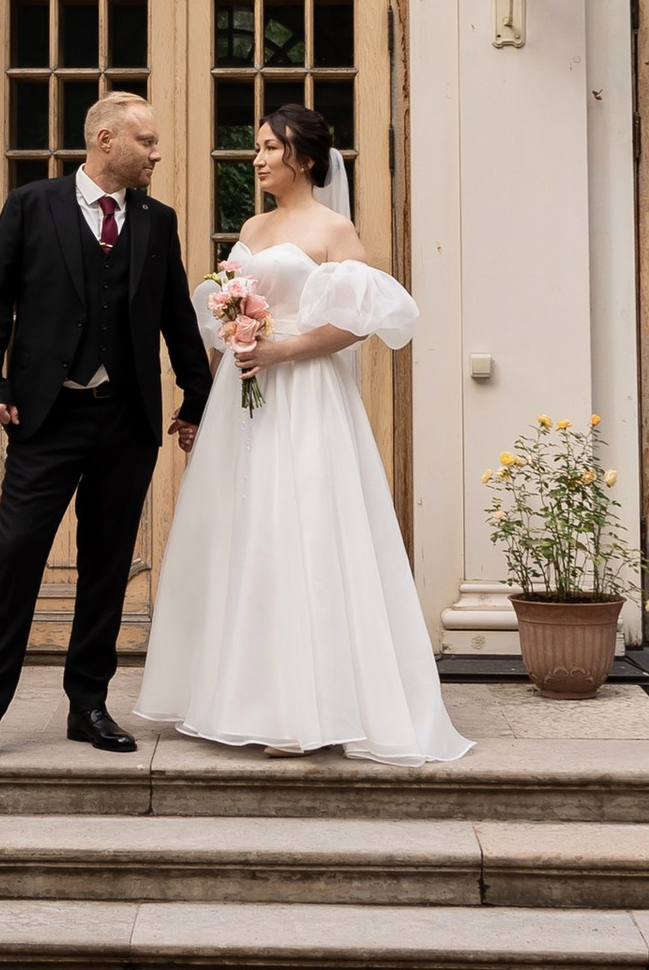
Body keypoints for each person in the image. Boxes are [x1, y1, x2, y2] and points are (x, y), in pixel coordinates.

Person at [136, 101, 470, 765]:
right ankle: (238, 697)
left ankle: (305, 709)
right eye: (256, 147)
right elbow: (223, 320)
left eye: (267, 147)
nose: (256, 157)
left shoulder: (333, 230)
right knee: (244, 532)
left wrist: (282, 353)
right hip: (243, 394)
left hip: (306, 395)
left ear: (305, 158)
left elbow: (357, 322)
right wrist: (202, 403)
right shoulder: (254, 224)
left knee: (302, 529)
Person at [0, 92, 214, 769]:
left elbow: (177, 315)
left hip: (126, 421)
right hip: (47, 417)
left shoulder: (157, 221)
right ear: (103, 140)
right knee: (17, 560)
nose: (156, 153)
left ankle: (88, 704)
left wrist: (195, 398)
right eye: (146, 141)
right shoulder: (31, 205)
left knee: (106, 566)